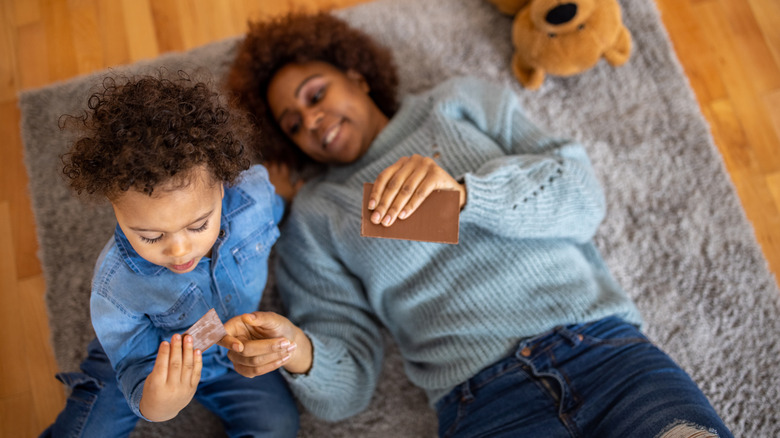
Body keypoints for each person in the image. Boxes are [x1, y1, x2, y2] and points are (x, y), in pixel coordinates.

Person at [221, 12, 734, 438]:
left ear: (356, 76)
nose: (311, 121)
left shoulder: (459, 103)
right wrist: (296, 348)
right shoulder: (318, 215)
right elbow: (347, 387)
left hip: (607, 356)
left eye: (315, 96)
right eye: (293, 124)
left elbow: (581, 198)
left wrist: (467, 194)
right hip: (485, 405)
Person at [41, 71, 300, 437]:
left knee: (278, 426)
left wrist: (289, 193)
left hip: (230, 352)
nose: (179, 251)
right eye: (149, 236)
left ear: (224, 188)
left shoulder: (253, 198)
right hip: (144, 358)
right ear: (115, 208)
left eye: (198, 226)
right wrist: (159, 403)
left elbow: (274, 207)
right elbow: (133, 366)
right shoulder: (116, 287)